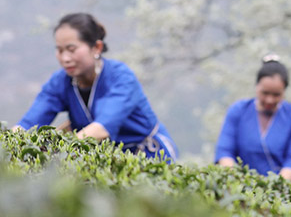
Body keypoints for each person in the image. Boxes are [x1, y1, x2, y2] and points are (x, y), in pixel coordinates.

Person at [14, 13, 178, 161]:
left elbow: (102, 128)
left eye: (72, 49)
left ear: (96, 48)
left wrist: (56, 153)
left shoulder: (121, 77)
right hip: (109, 160)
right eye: (59, 50)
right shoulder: (60, 82)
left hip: (150, 156)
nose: (65, 58)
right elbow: (29, 123)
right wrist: (9, 145)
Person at [214, 56, 291, 181]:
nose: (270, 99)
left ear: (284, 91)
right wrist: (236, 180)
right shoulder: (238, 111)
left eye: (276, 95)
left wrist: (275, 187)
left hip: (281, 189)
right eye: (265, 93)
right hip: (240, 185)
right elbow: (225, 151)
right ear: (256, 87)